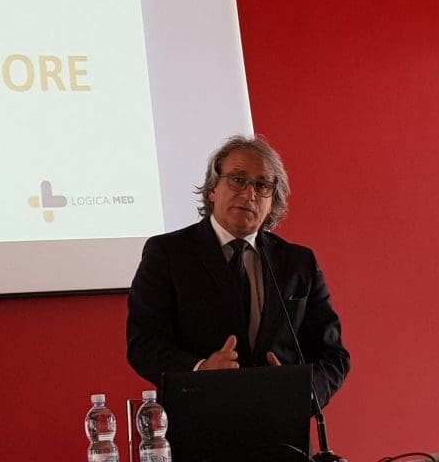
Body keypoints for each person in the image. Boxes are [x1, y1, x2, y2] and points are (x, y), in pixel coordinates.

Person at [126, 135, 350, 409]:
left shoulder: (298, 262)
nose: (249, 194)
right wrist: (200, 370)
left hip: (279, 421)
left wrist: (302, 392)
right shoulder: (168, 253)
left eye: (262, 185)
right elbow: (144, 343)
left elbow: (333, 354)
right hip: (199, 417)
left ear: (273, 201)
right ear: (212, 189)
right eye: (237, 180)